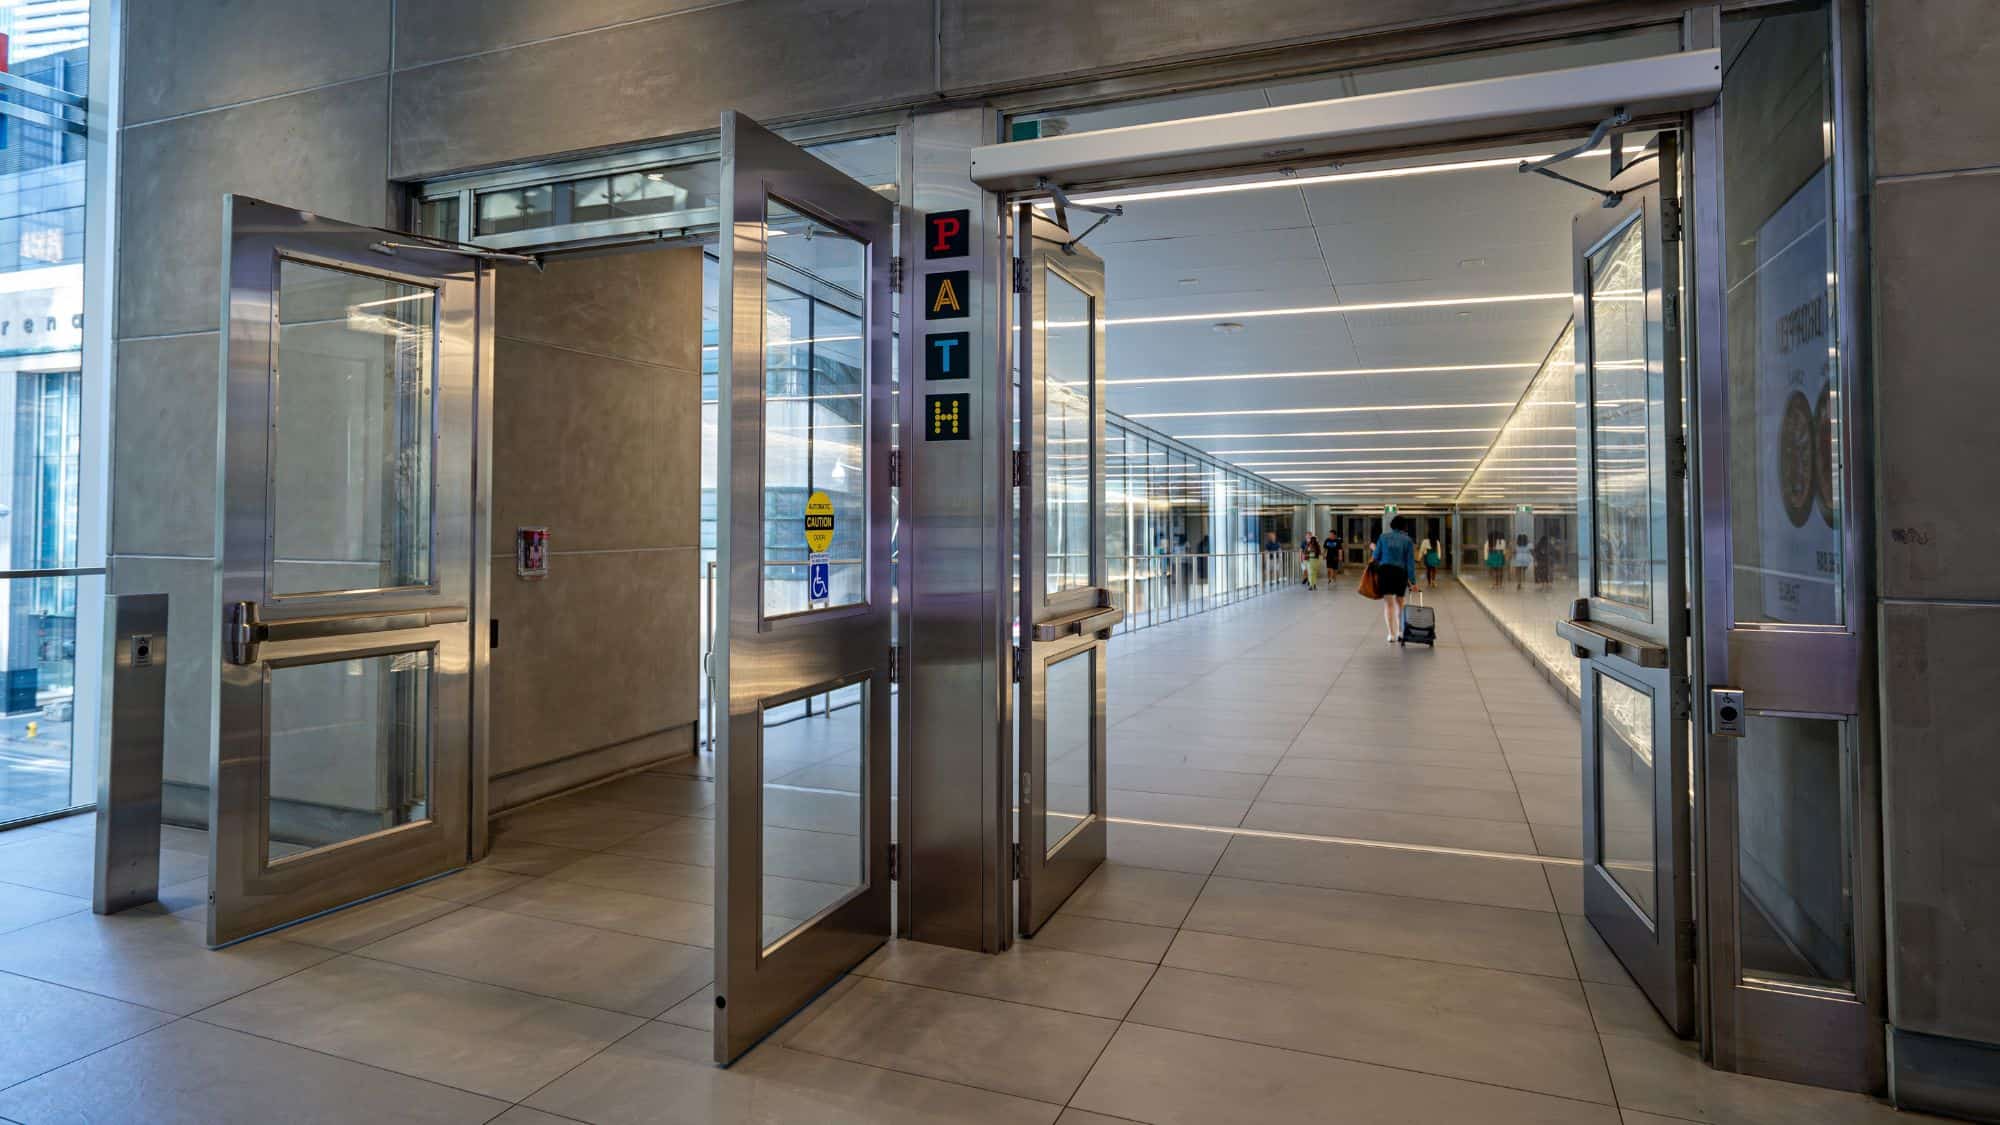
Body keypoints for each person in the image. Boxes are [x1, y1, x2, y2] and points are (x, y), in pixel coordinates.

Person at [1372, 516, 1416, 643]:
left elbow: (1376, 556)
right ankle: (1401, 632)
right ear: (1404, 527)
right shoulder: (1407, 540)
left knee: (1388, 603)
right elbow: (1410, 563)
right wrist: (1412, 582)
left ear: (1391, 525)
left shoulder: (1383, 537)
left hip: (1385, 572)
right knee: (1400, 603)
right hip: (1400, 573)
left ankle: (1391, 634)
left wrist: (1374, 548)